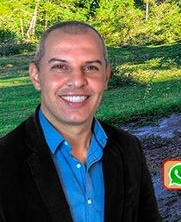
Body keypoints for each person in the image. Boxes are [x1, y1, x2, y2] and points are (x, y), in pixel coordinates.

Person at [0, 21, 162, 222]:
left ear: (106, 77)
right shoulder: (4, 160)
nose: (77, 81)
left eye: (90, 67)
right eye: (60, 66)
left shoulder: (129, 148)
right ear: (36, 76)